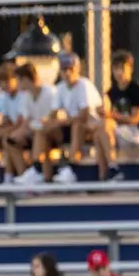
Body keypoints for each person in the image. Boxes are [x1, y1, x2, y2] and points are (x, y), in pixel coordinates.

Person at [41, 52, 115, 182]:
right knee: (44, 132)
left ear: (77, 69)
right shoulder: (60, 88)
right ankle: (42, 173)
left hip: (92, 126)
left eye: (71, 69)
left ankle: (72, 167)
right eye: (64, 69)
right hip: (72, 126)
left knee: (77, 126)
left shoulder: (84, 85)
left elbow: (84, 115)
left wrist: (61, 122)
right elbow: (53, 114)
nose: (68, 73)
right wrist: (48, 123)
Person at [108, 50, 139, 159]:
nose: (119, 72)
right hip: (117, 130)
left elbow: (135, 119)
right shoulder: (111, 92)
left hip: (136, 132)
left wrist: (113, 115)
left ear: (130, 69)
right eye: (116, 68)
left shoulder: (136, 90)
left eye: (122, 68)